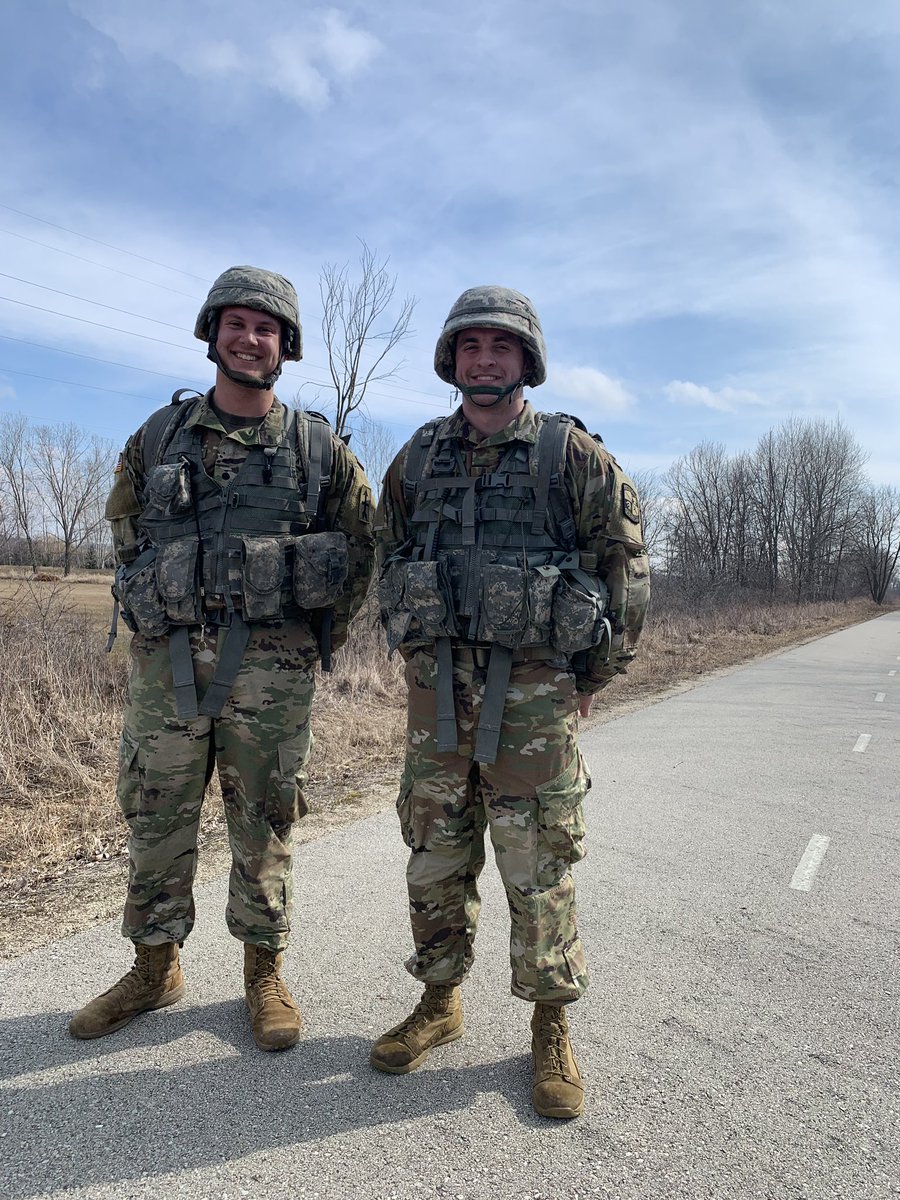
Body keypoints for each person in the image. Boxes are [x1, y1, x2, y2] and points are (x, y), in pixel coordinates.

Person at [69, 266, 375, 1051]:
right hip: (166, 665)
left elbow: (361, 553)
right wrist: (158, 601)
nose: (250, 338)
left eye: (266, 328)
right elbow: (127, 536)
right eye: (236, 324)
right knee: (155, 814)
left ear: (286, 346)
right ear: (212, 333)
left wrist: (314, 640)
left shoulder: (317, 449)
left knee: (266, 821)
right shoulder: (158, 437)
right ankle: (154, 967)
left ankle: (262, 973)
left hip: (272, 675)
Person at [370, 286, 649, 1117]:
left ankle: (550, 1026)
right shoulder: (418, 460)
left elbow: (626, 569)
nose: (484, 359)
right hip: (438, 703)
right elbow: (387, 556)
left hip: (533, 699)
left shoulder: (572, 456)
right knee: (434, 857)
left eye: (501, 346)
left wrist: (594, 676)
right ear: (450, 360)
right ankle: (439, 1002)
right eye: (469, 346)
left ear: (527, 360)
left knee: (539, 867)